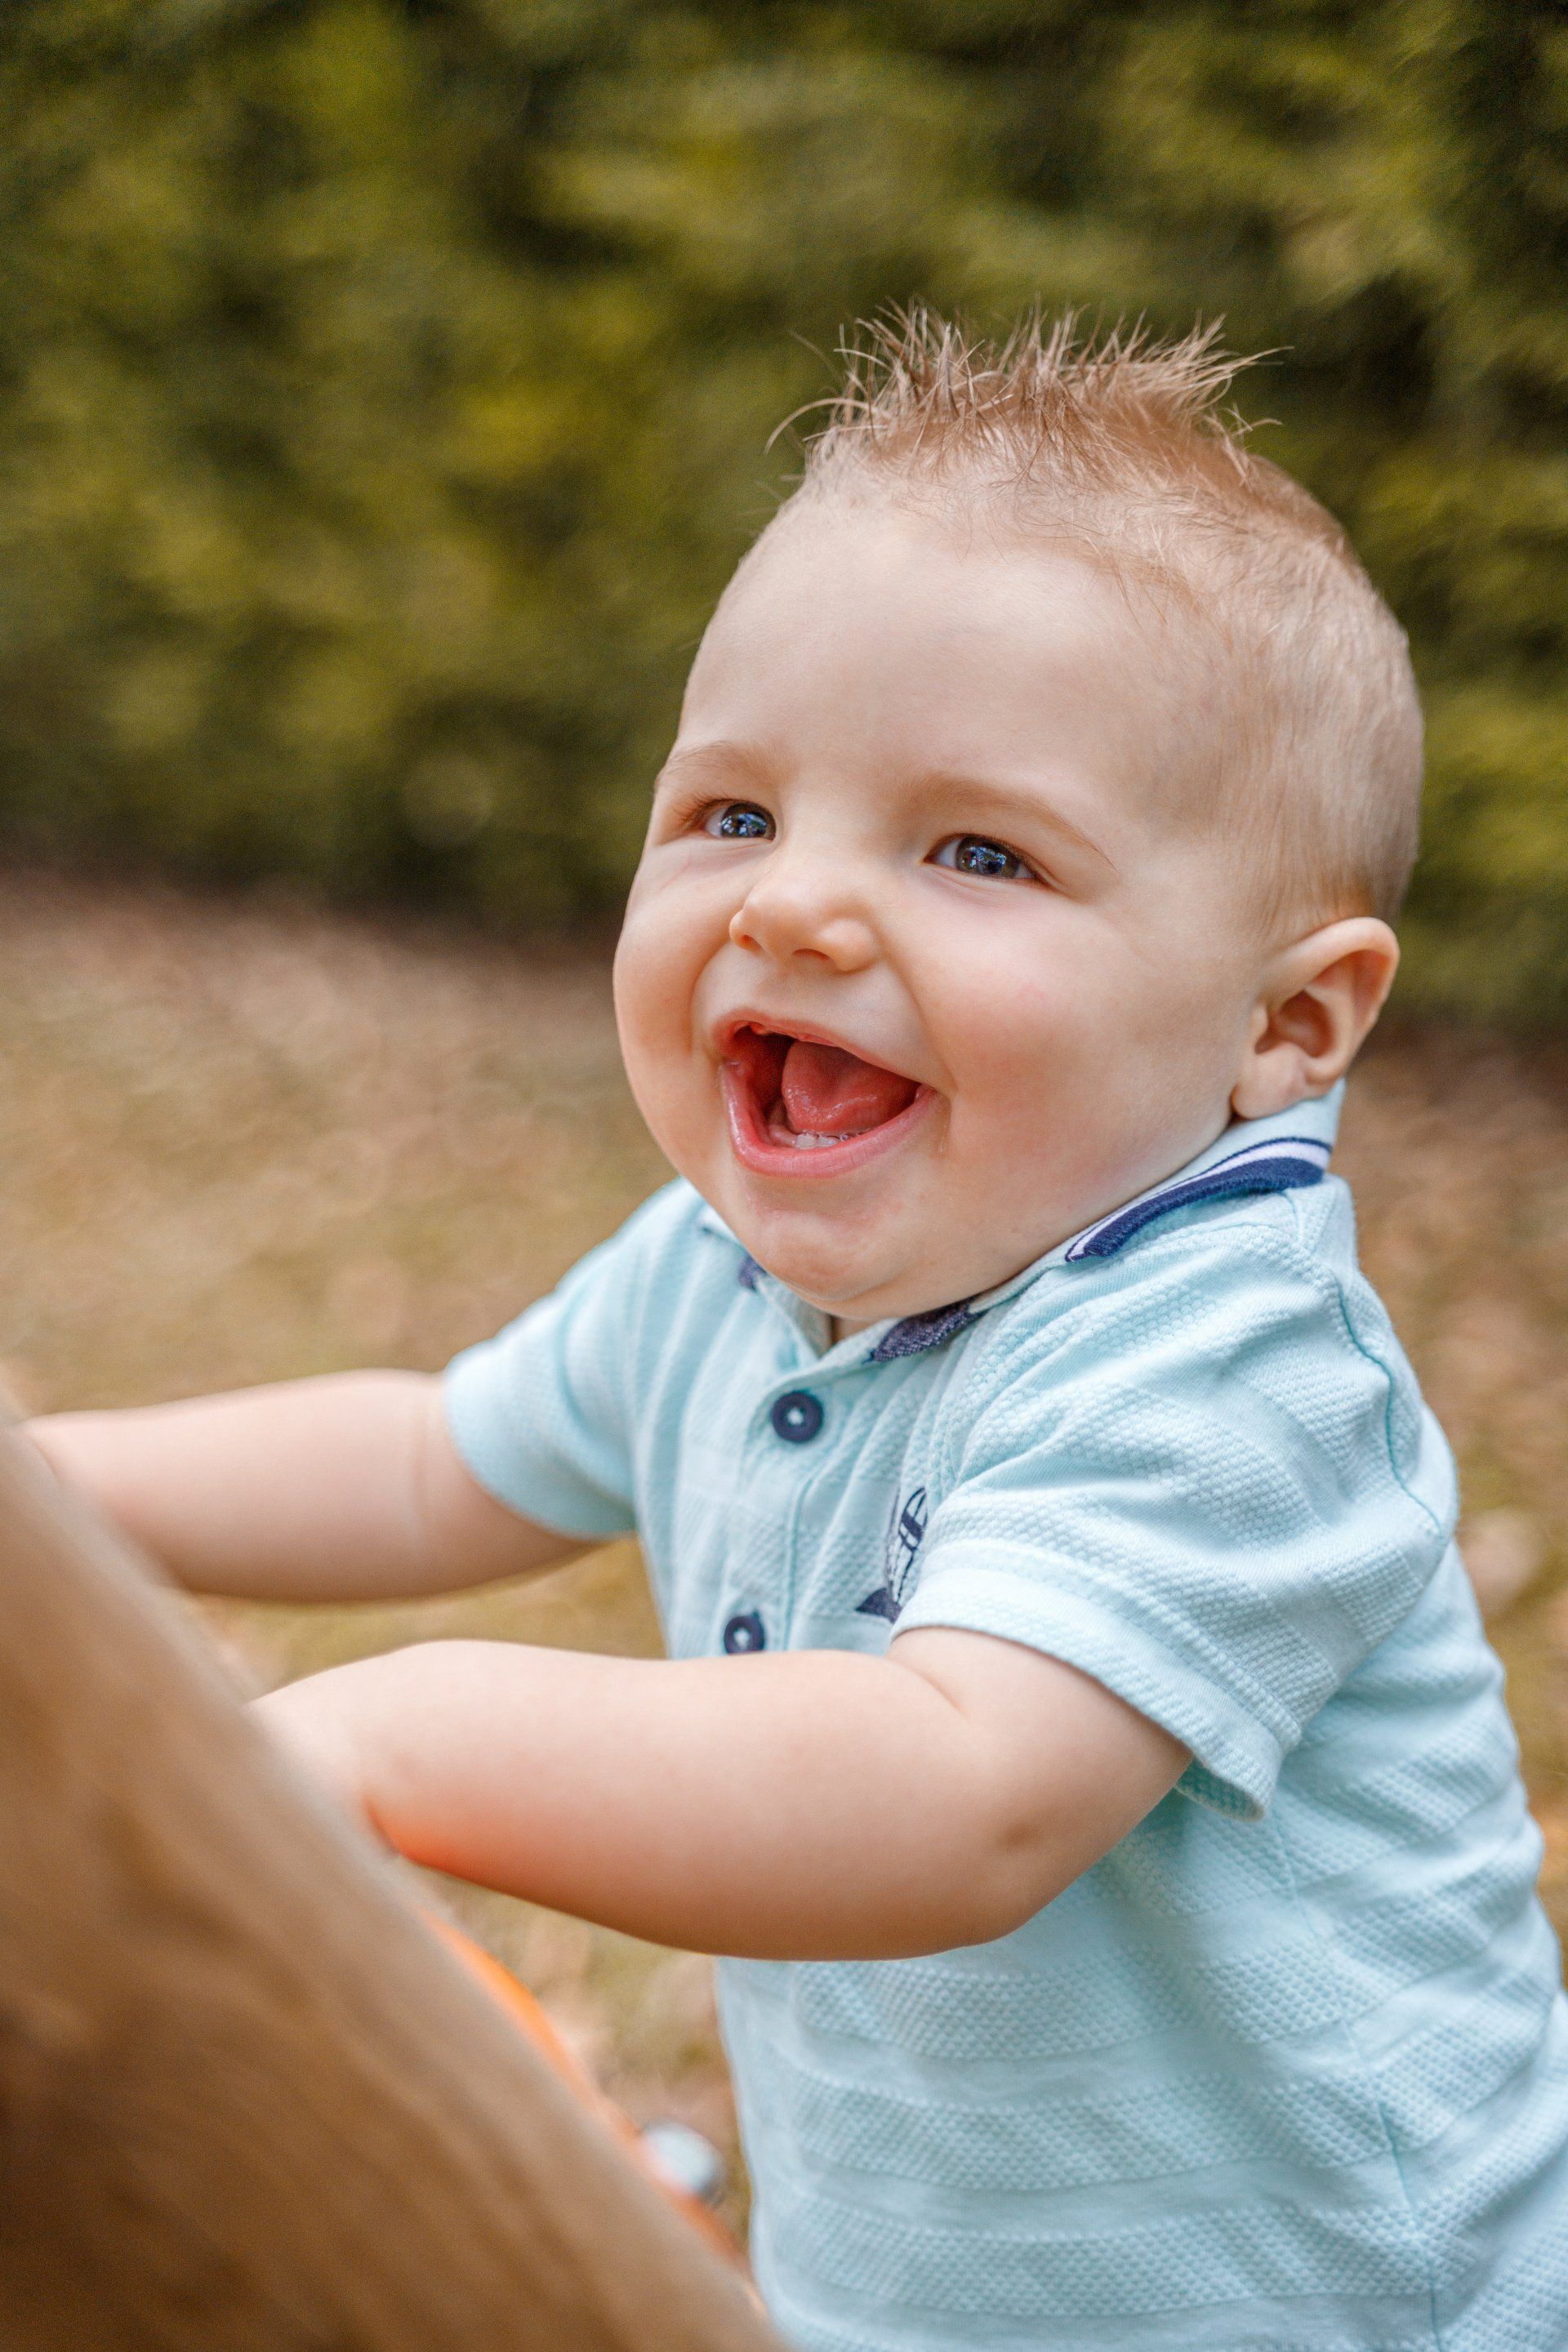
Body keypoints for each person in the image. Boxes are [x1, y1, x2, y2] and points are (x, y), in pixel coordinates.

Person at [29, 314, 1568, 2352]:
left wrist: (387, 1744)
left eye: (979, 853)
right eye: (734, 816)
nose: (796, 911)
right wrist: (49, 1503)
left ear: (1285, 1026)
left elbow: (961, 1792)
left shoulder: (1229, 1358)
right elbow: (431, 1458)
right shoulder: (724, 1269)